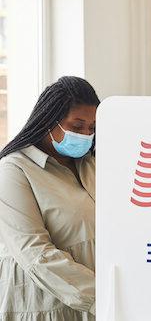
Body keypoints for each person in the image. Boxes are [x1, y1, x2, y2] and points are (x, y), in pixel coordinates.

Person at [0, 76, 99, 320]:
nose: (86, 135)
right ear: (48, 121)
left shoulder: (91, 165)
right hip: (47, 307)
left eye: (92, 128)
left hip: (96, 306)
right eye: (77, 127)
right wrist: (104, 296)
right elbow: (35, 253)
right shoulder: (14, 170)